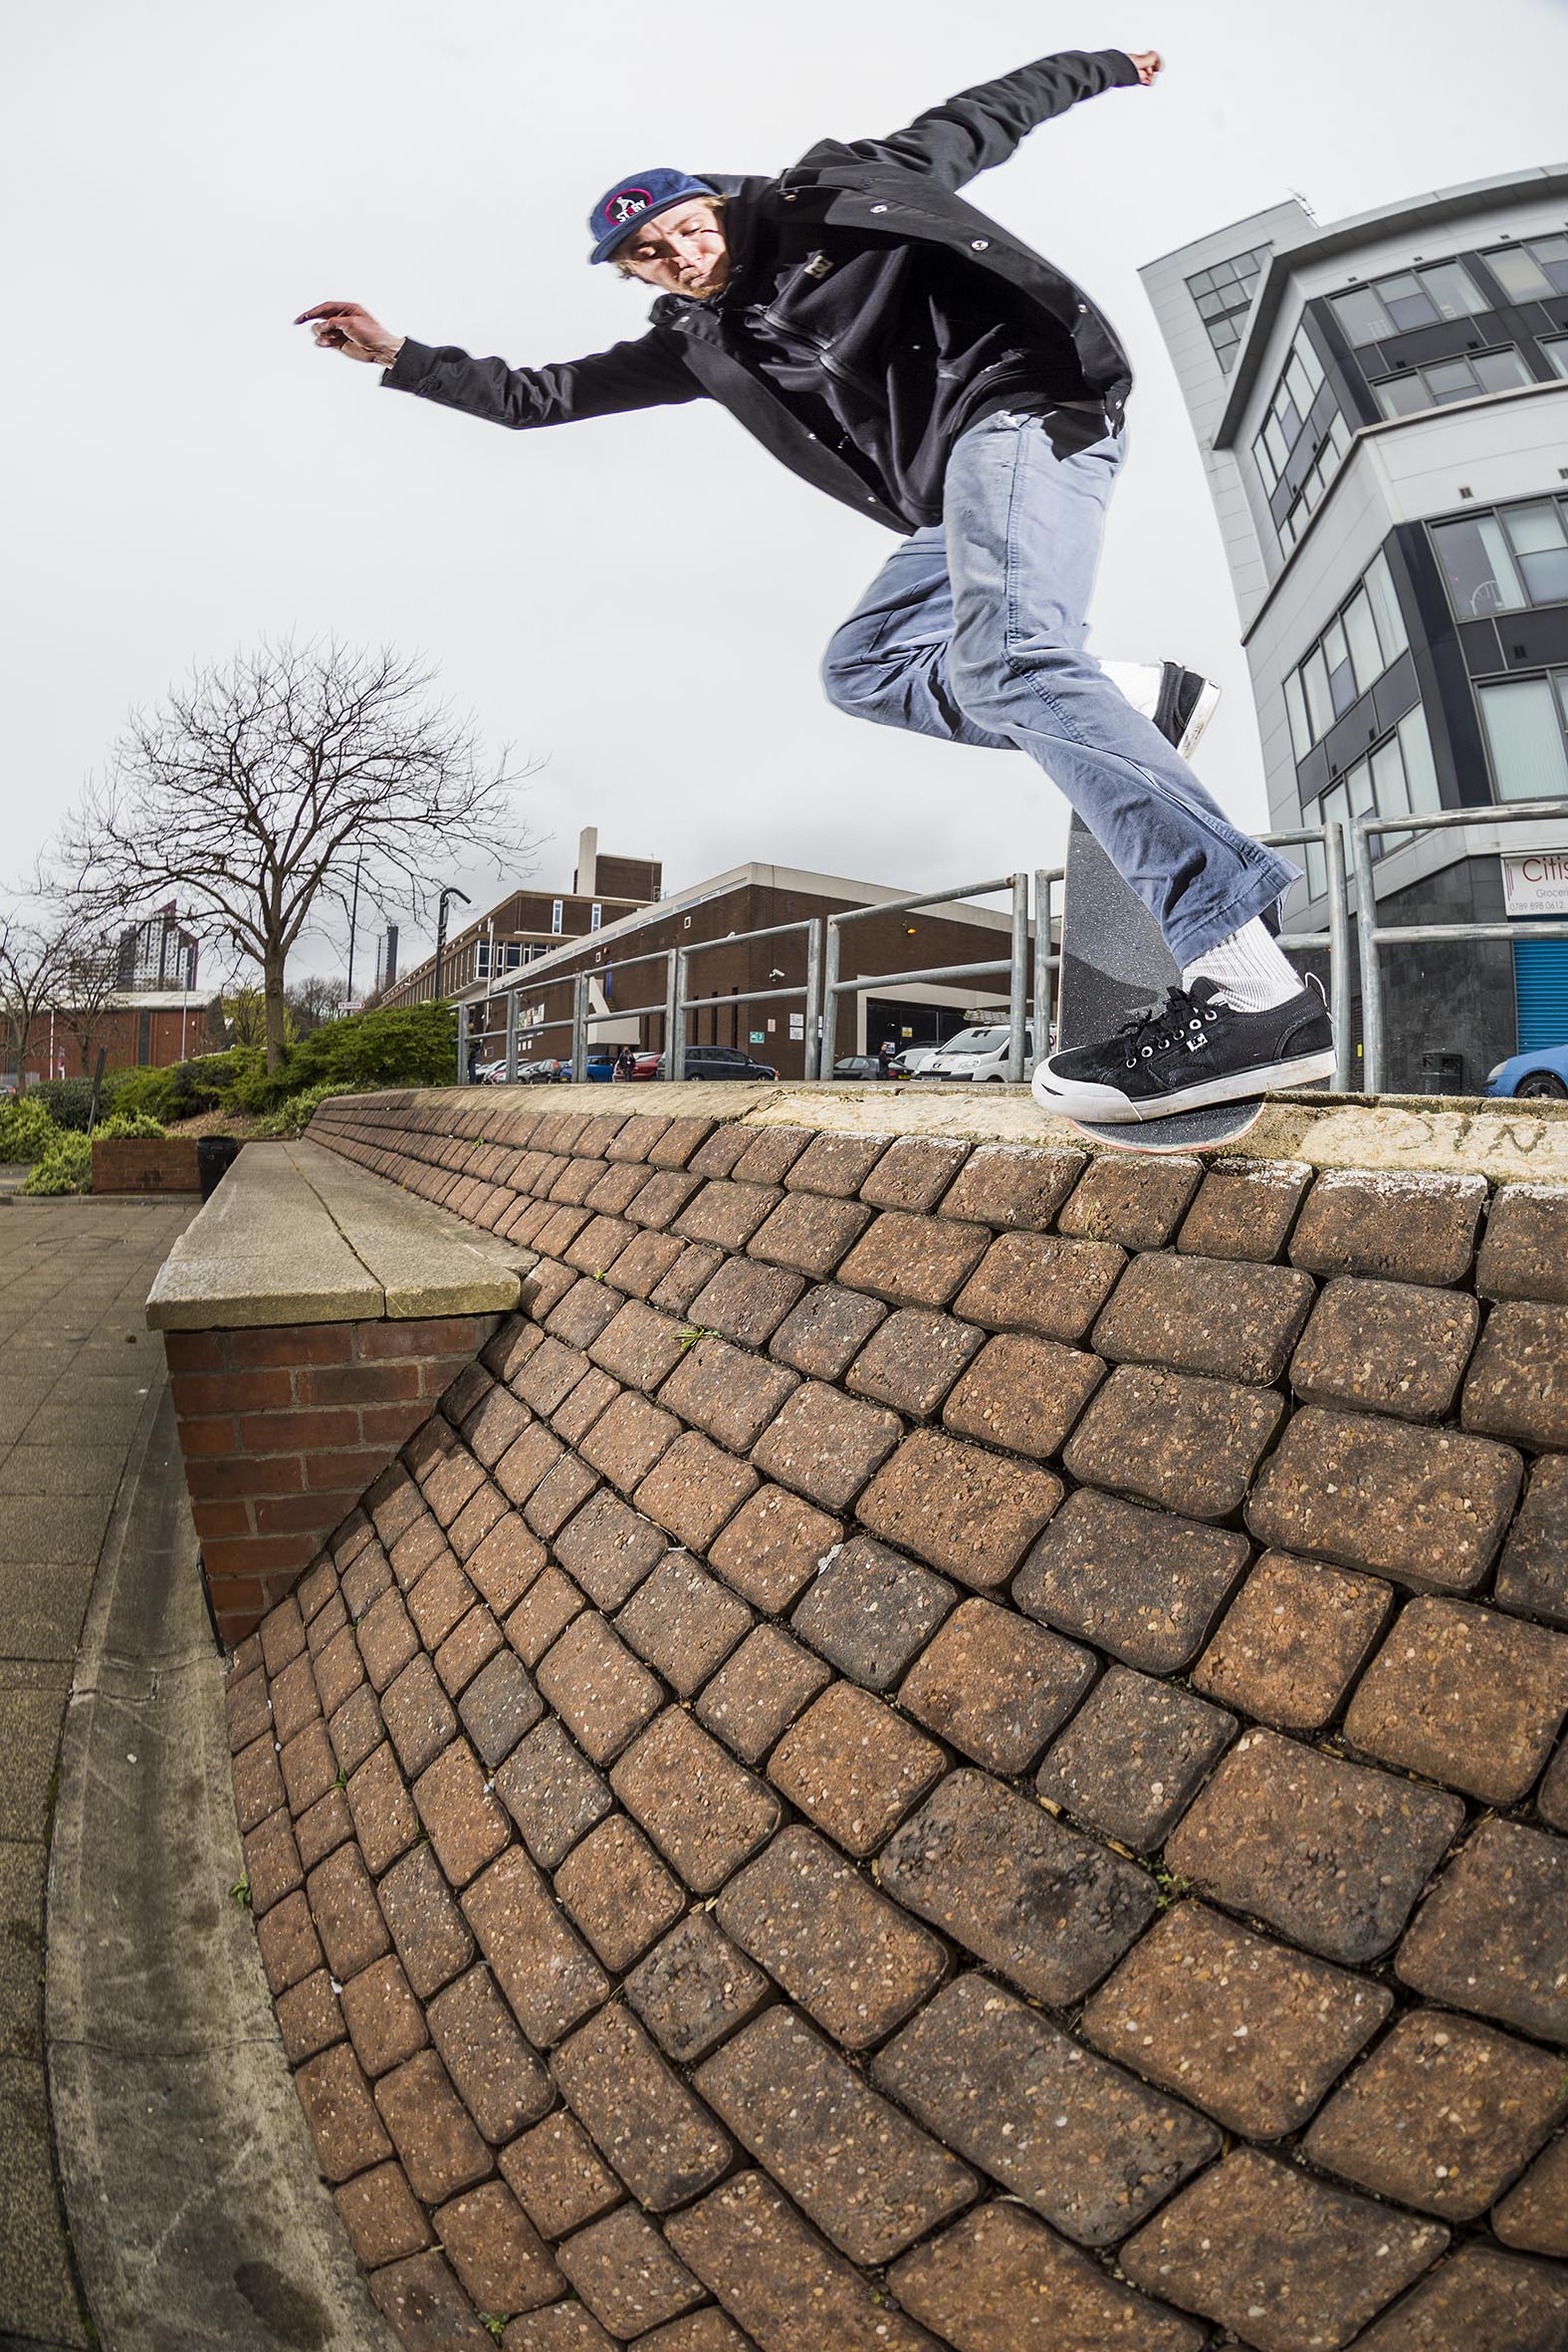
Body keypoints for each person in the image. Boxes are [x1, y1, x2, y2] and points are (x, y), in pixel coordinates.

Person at [298, 44, 1333, 1124]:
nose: (679, 258)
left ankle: (1252, 986)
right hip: (952, 503)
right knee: (863, 669)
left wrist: (1108, 64)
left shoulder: (839, 188)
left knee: (1014, 659)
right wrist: (400, 355)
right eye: (651, 257)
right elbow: (537, 395)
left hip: (1028, 410)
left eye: (686, 230)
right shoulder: (703, 346)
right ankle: (1114, 700)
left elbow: (989, 111)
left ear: (716, 203)